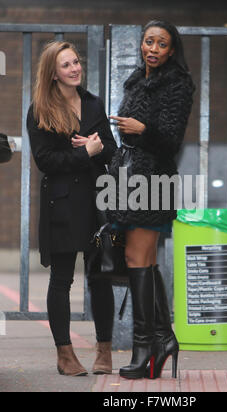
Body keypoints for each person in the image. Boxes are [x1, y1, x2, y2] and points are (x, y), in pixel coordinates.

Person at [108, 20, 195, 379]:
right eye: (148, 42)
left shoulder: (178, 84)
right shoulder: (135, 80)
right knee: (139, 259)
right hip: (128, 179)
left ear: (171, 50)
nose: (153, 49)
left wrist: (142, 130)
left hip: (153, 179)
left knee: (137, 257)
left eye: (161, 44)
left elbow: (172, 140)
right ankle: (159, 340)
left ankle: (146, 346)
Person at [27, 41, 117, 377]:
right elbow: (46, 161)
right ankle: (65, 355)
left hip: (96, 203)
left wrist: (97, 148)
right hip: (62, 204)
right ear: (53, 73)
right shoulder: (39, 109)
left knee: (100, 277)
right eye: (66, 65)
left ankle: (104, 351)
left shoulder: (93, 103)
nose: (74, 68)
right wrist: (86, 153)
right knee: (61, 279)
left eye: (76, 62)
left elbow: (110, 148)